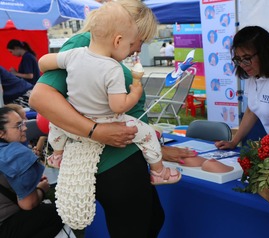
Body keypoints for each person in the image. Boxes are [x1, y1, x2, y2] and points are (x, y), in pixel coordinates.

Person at [29, 0, 197, 236]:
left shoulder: (100, 50)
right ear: (127, 29)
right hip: (113, 163)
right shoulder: (83, 44)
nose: (139, 48)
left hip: (125, 156)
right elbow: (41, 98)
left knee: (152, 220)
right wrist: (95, 130)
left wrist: (156, 151)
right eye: (140, 39)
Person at [0, 107, 63, 238]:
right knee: (61, 212)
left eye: (23, 122)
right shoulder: (16, 154)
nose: (25, 128)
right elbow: (28, 204)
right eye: (18, 125)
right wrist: (41, 190)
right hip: (6, 226)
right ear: (1, 133)